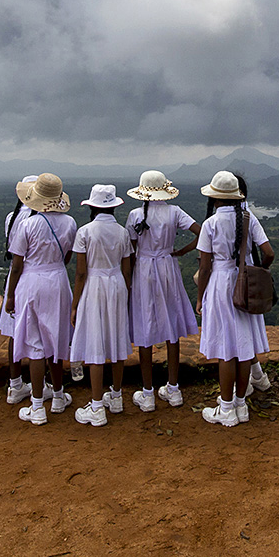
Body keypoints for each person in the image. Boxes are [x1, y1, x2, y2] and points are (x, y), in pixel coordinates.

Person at [195, 171, 275, 427]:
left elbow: (205, 267)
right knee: (243, 347)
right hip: (245, 284)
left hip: (220, 285)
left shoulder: (210, 224)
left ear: (216, 198)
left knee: (225, 350)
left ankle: (226, 407)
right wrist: (258, 271)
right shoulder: (249, 219)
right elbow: (269, 252)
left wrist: (199, 299)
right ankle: (241, 405)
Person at [124, 171, 201, 412]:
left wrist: (128, 281)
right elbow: (202, 233)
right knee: (172, 323)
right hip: (168, 266)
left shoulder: (136, 215)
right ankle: (174, 388)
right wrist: (182, 251)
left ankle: (147, 393)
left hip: (144, 268)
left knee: (145, 325)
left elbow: (131, 249)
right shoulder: (174, 212)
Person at [4, 173, 77, 425]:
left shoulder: (27, 225)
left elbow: (16, 265)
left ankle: (37, 407)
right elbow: (67, 257)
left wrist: (10, 296)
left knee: (35, 344)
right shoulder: (70, 223)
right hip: (58, 280)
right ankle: (58, 395)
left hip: (31, 281)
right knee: (56, 340)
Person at [69, 185, 134, 427]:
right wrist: (125, 293)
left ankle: (96, 405)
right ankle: (115, 396)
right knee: (116, 339)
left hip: (95, 285)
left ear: (93, 206)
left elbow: (80, 273)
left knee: (95, 342)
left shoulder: (85, 232)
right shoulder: (122, 232)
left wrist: (75, 305)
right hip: (117, 284)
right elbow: (127, 269)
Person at [0, 175, 38, 405]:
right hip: (39, 276)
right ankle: (45, 385)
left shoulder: (11, 218)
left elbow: (15, 260)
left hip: (16, 278)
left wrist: (10, 293)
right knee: (42, 332)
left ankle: (15, 384)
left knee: (15, 331)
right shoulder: (43, 218)